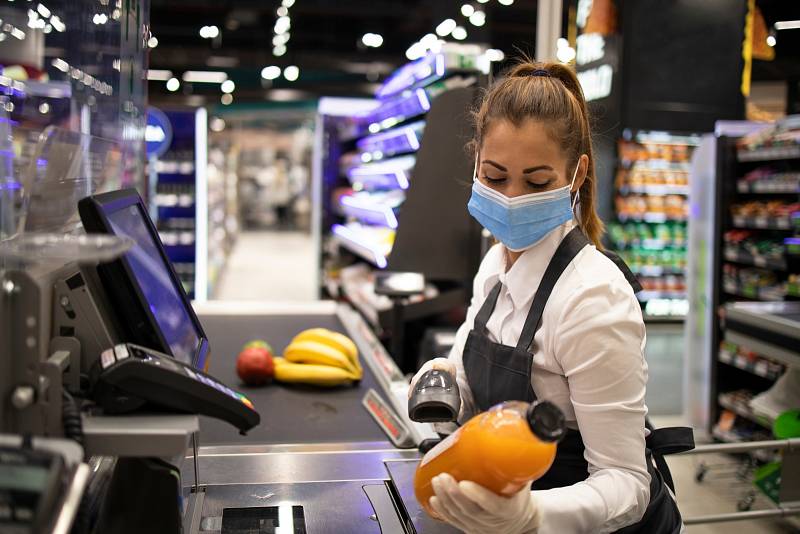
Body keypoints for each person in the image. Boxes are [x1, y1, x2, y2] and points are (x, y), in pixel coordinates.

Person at [409, 60, 692, 534]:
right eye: (495, 177)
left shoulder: (592, 300)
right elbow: (465, 358)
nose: (512, 198)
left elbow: (626, 483)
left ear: (577, 174)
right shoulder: (495, 265)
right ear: (476, 159)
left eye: (537, 182)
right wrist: (445, 377)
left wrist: (533, 515)